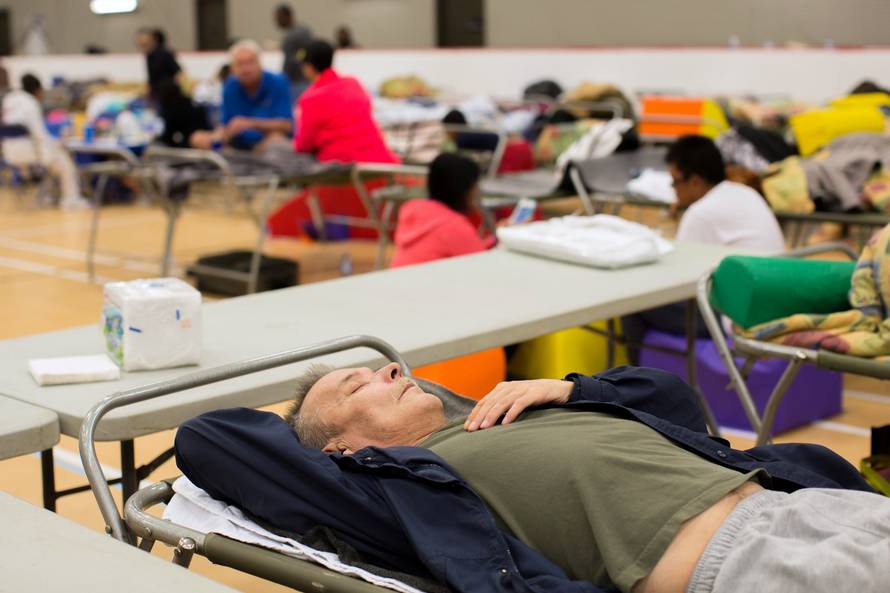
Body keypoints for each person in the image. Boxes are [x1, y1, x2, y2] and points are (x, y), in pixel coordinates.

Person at [177, 363, 887, 593]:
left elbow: (677, 404)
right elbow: (210, 437)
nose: (392, 369)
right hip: (746, 562)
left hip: (804, 499)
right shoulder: (396, 482)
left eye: (386, 366)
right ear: (339, 447)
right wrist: (317, 436)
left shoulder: (491, 413)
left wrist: (571, 387)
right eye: (357, 385)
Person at [622, 135, 785, 363]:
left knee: (633, 304)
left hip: (736, 316)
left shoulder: (701, 213)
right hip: (776, 300)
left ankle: (635, 380)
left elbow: (676, 280)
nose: (673, 191)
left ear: (696, 181)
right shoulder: (745, 193)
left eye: (675, 182)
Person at [293, 39, 397, 163]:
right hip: (383, 164)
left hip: (345, 172)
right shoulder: (353, 83)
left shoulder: (310, 98)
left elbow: (304, 145)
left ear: (309, 67)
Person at [391, 153, 494, 267]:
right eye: (475, 186)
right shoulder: (454, 226)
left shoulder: (413, 209)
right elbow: (482, 265)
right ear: (466, 190)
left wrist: (494, 240)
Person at [2, 73, 87, 209]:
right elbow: (39, 133)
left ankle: (48, 196)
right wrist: (56, 143)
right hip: (30, 151)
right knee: (65, 163)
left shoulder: (9, 100)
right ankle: (71, 199)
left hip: (8, 153)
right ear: (37, 90)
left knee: (52, 165)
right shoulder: (30, 103)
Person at [221, 39, 293, 152]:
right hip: (238, 144)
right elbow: (226, 125)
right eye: (240, 64)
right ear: (233, 68)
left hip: (267, 144)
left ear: (260, 63)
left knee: (277, 140)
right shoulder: (230, 86)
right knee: (200, 138)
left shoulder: (278, 82)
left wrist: (249, 123)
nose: (246, 69)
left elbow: (286, 125)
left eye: (250, 62)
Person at [156, 80, 216, 149]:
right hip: (205, 137)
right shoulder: (190, 103)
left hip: (191, 143)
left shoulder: (170, 110)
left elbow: (168, 136)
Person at [275, 4, 313, 99]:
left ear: (287, 16)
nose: (277, 21)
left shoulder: (299, 32)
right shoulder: (292, 33)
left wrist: (297, 59)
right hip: (293, 81)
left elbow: (306, 53)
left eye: (279, 17)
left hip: (299, 82)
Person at [136, 28, 182, 104]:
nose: (141, 44)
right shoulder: (149, 56)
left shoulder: (164, 53)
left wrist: (173, 90)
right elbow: (152, 77)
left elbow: (179, 72)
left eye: (145, 42)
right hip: (155, 94)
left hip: (167, 95)